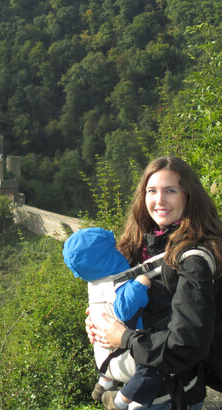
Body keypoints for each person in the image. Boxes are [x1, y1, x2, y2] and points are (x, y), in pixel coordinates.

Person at [85, 156, 222, 410]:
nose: (159, 200)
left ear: (189, 196)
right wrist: (100, 321)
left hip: (174, 396)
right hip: (148, 391)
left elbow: (188, 341)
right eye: (152, 191)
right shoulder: (141, 246)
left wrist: (123, 338)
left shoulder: (194, 259)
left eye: (170, 191)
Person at [63, 227, 163, 408]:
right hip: (130, 357)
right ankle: (119, 401)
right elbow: (125, 310)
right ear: (105, 257)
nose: (118, 249)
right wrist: (140, 284)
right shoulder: (117, 281)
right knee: (151, 374)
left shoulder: (95, 283)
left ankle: (104, 383)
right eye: (113, 248)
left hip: (106, 359)